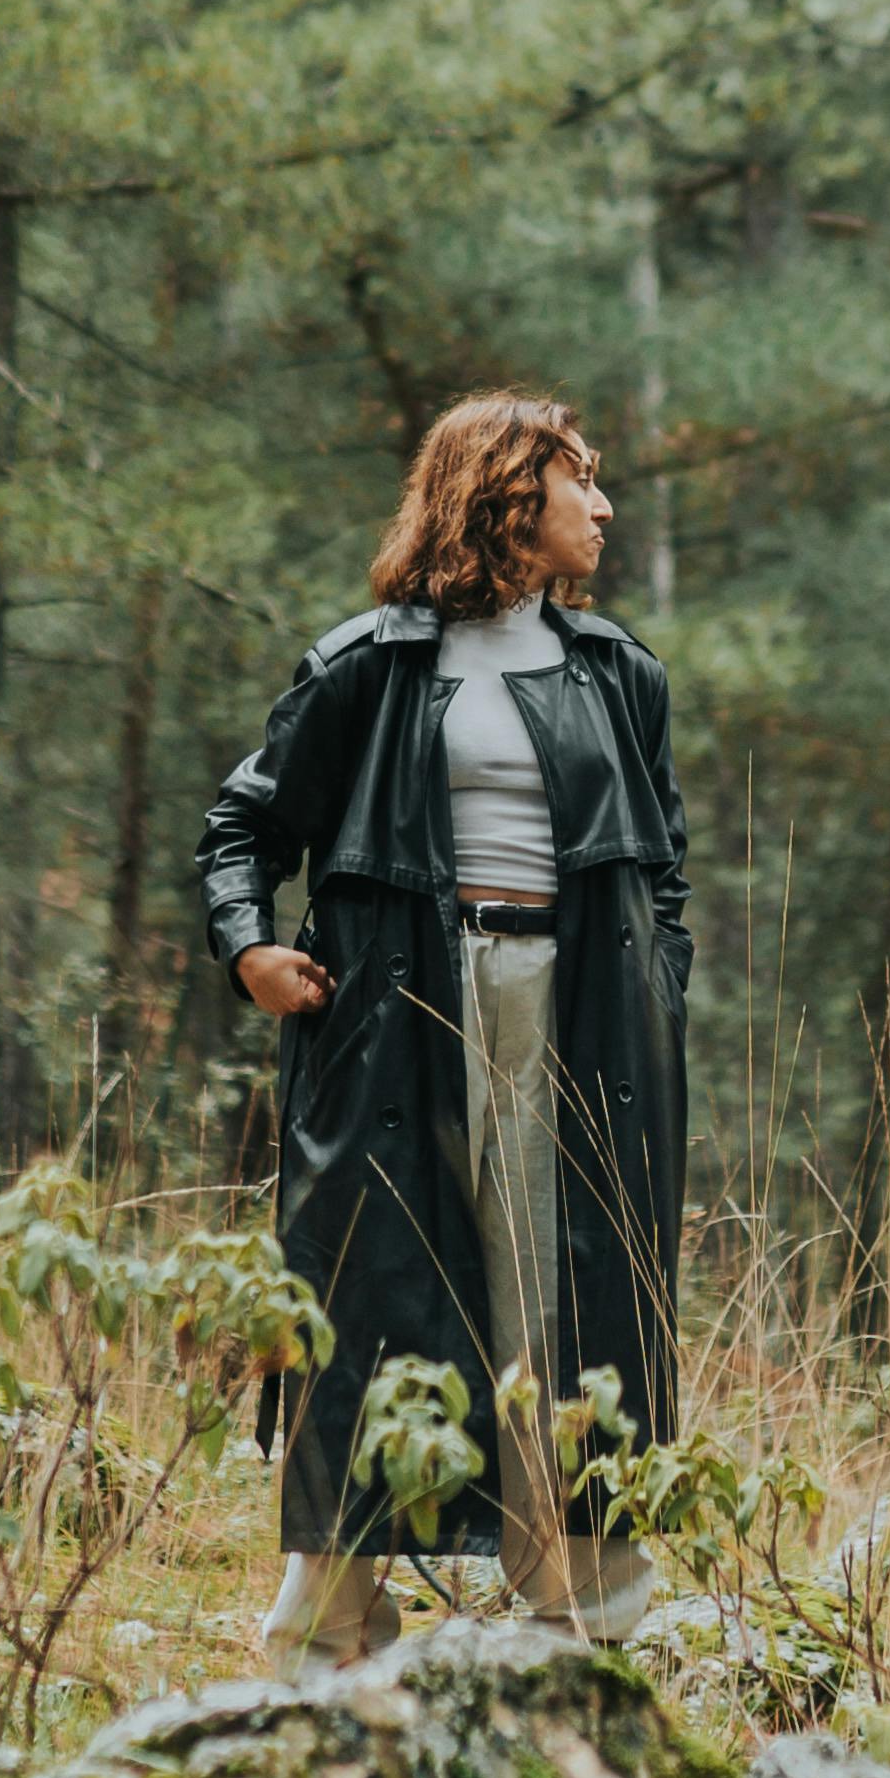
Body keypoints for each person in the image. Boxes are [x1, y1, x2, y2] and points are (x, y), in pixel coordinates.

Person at [196, 388, 690, 1674]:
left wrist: (660, 992)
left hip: (576, 1020)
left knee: (568, 1303)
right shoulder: (368, 664)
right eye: (580, 479)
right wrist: (251, 946)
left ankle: (582, 1631)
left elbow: (664, 875)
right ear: (506, 494)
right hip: (396, 1012)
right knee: (365, 1300)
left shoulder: (617, 674)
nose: (603, 505)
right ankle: (330, 1640)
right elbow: (245, 826)